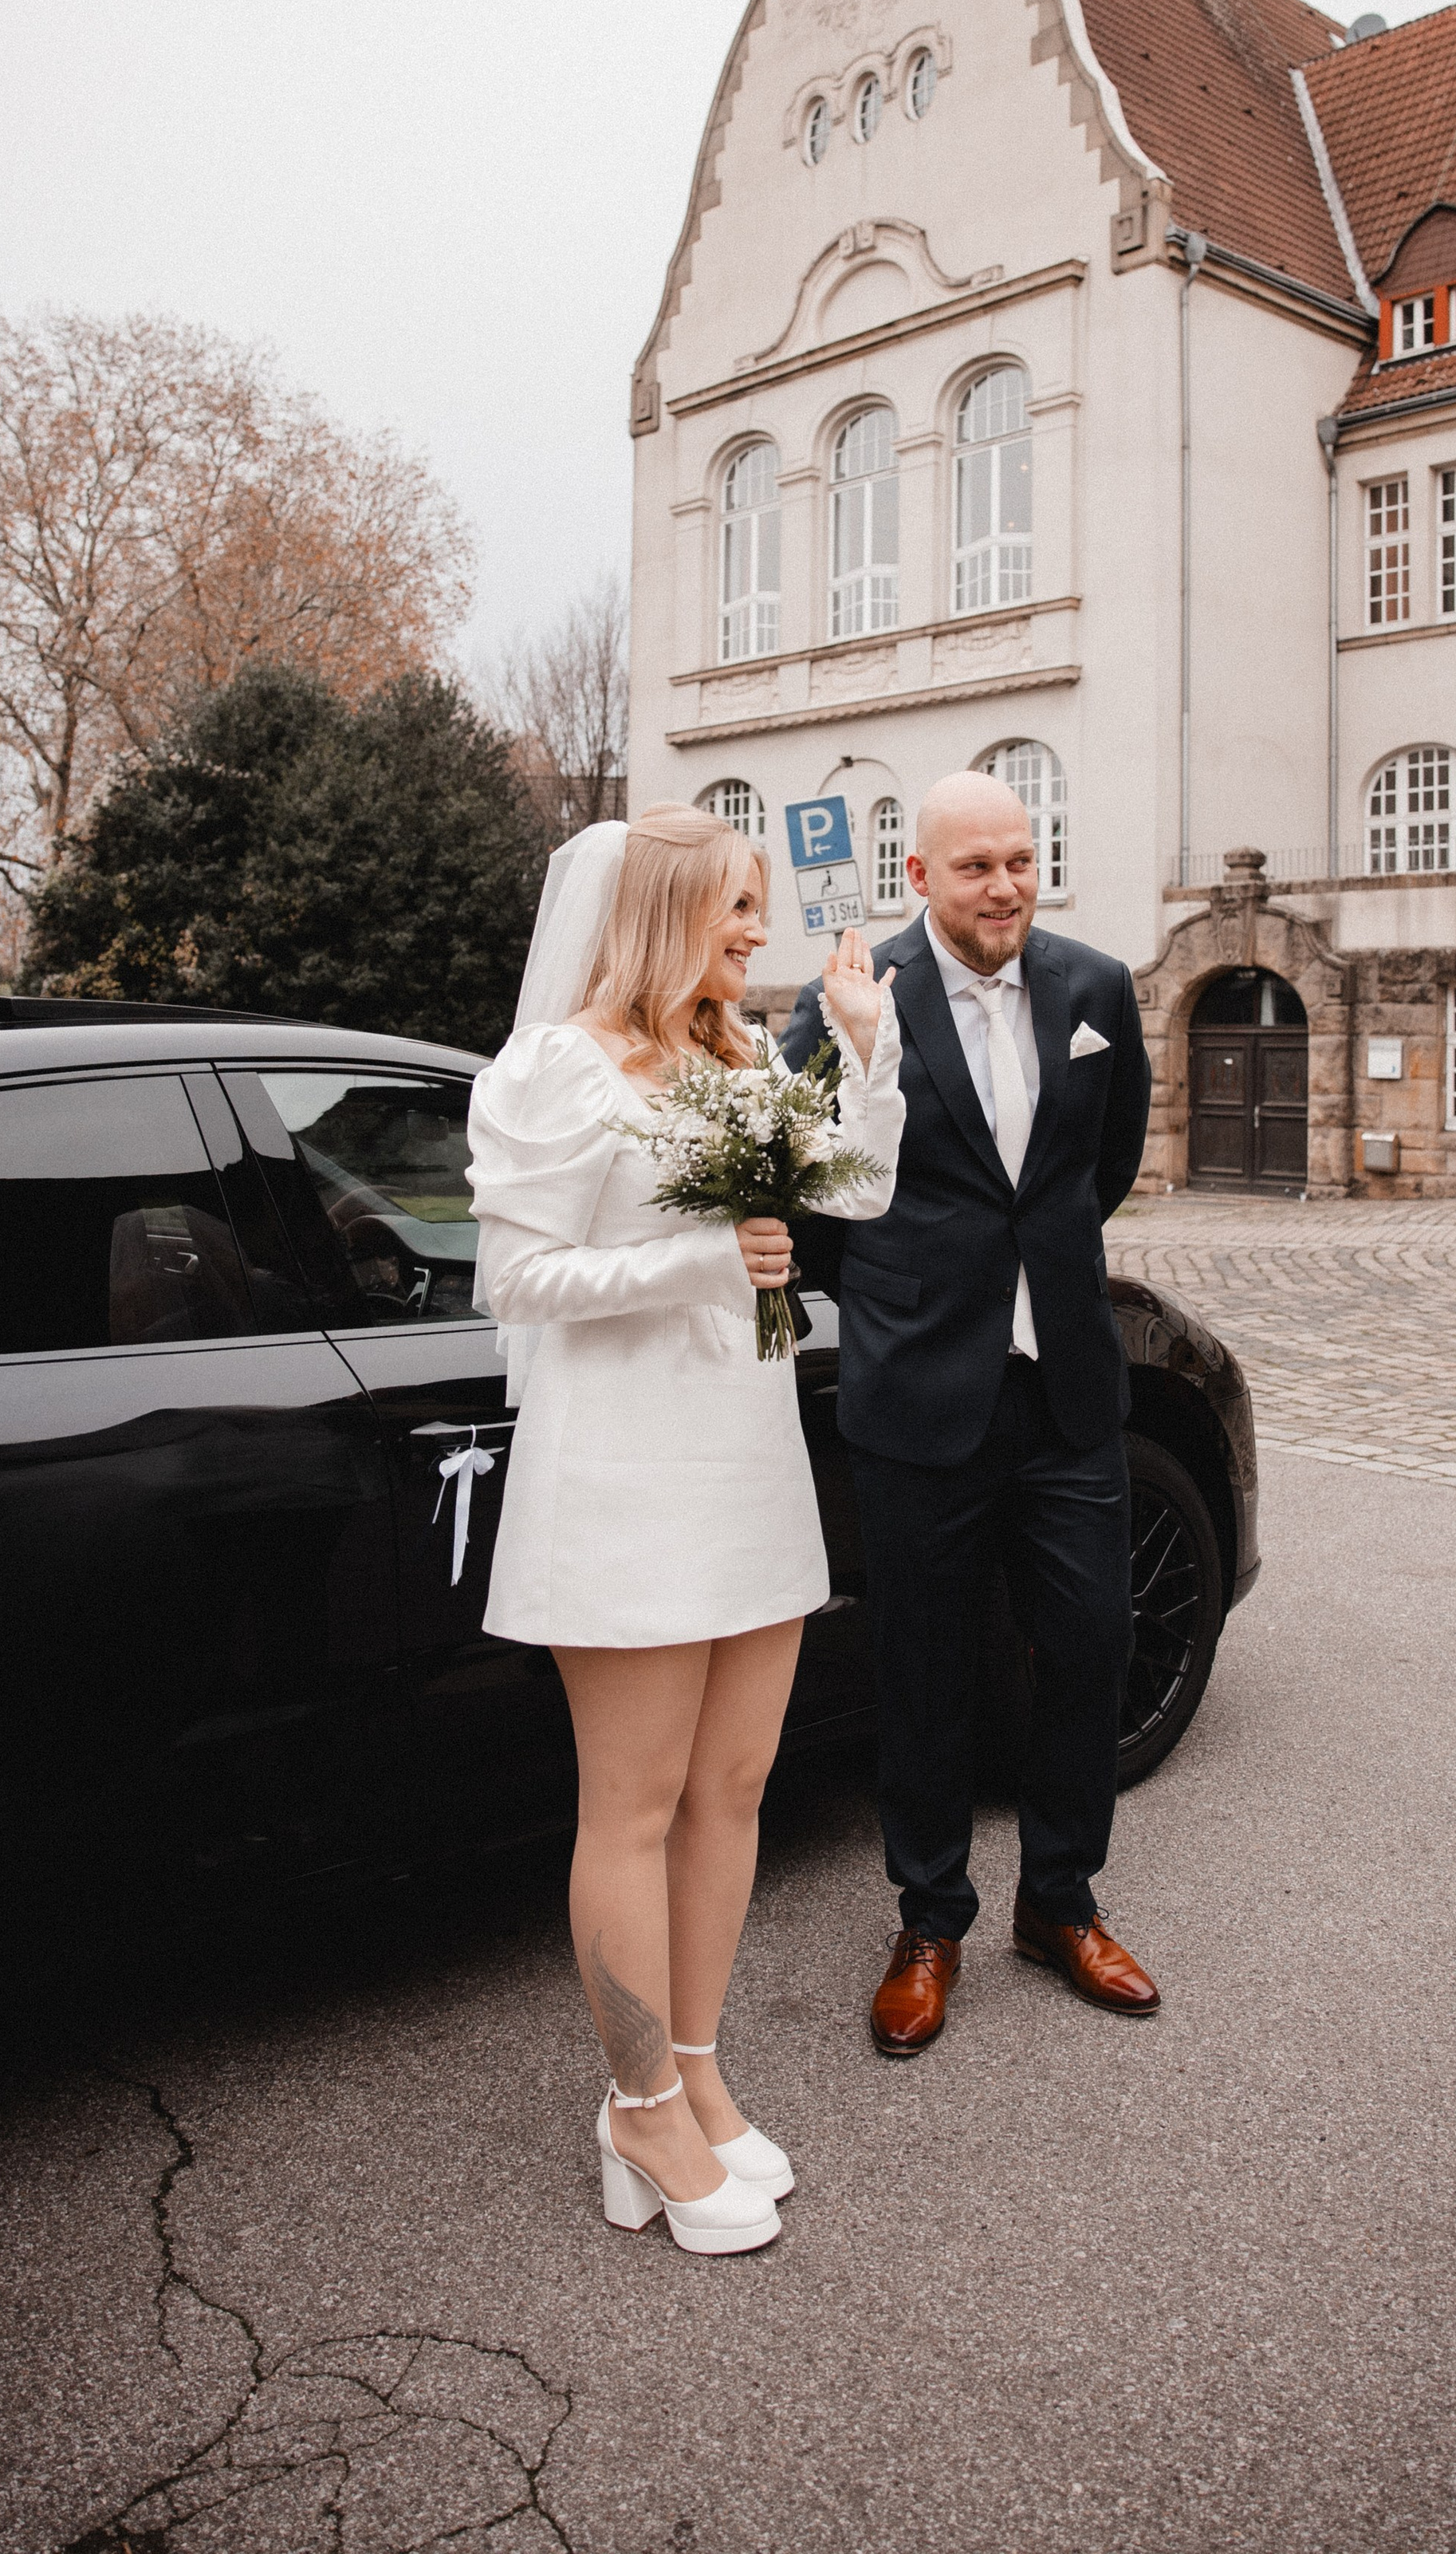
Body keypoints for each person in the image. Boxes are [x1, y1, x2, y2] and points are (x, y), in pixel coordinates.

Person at [466, 804, 903, 2252]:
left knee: (736, 1788)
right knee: (635, 1807)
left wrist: (864, 1045)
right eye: (731, 905)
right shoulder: (555, 1069)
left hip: (747, 1460)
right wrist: (696, 1263)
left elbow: (857, 1187)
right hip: (627, 1478)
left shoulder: (736, 1060)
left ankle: (699, 2077)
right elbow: (516, 1283)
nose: (753, 930)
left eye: (757, 903)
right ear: (658, 911)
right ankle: (636, 2104)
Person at [781, 771, 1155, 2056]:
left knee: (1093, 1640)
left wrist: (1029, 1275)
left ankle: (1060, 1902)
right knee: (925, 1666)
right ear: (921, 878)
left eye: (1021, 858)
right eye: (976, 866)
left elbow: (1101, 1170)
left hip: (1065, 1389)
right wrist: (910, 1296)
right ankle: (929, 1917)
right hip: (919, 1391)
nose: (1005, 885)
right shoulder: (846, 1000)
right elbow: (808, 1193)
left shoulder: (1098, 988)